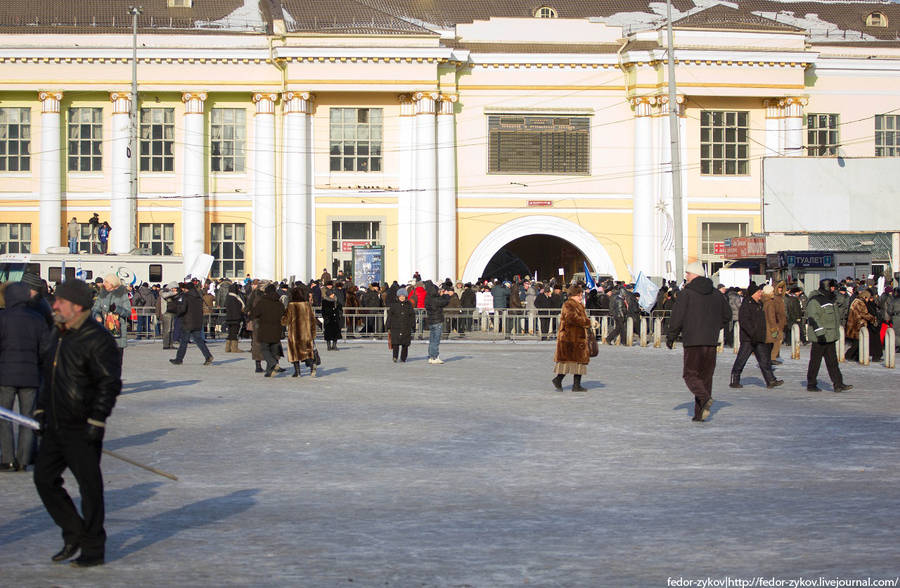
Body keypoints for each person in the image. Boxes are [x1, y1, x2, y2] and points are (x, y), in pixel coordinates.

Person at [33, 279, 121, 567]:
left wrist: (97, 419)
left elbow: (109, 383)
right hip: (55, 424)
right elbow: (49, 375)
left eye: (60, 301)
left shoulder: (97, 338)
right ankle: (74, 532)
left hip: (81, 425)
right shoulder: (59, 333)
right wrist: (42, 409)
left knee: (89, 487)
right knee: (44, 479)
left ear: (76, 306)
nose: (54, 305)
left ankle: (94, 547)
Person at [666, 261, 731, 422]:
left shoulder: (686, 294)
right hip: (710, 341)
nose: (686, 276)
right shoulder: (717, 294)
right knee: (705, 377)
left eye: (687, 273)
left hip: (692, 341)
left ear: (694, 274)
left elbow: (677, 317)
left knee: (690, 375)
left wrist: (671, 336)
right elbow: (727, 316)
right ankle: (699, 413)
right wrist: (715, 328)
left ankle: (704, 398)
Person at [0, 282, 51, 472]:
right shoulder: (37, 318)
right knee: (27, 417)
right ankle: (24, 459)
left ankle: (8, 458)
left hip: (5, 376)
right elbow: (45, 348)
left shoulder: (2, 318)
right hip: (31, 376)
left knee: (5, 417)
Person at [729, 282, 782, 389]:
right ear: (753, 293)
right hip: (748, 338)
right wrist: (753, 333)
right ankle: (735, 380)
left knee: (764, 360)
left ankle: (771, 380)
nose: (760, 294)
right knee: (741, 359)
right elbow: (744, 322)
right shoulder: (747, 304)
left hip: (759, 337)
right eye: (758, 292)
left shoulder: (759, 303)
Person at [806, 279, 852, 392]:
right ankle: (811, 384)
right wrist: (820, 333)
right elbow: (813, 317)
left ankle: (838, 383)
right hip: (820, 337)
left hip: (830, 336)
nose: (833, 289)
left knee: (832, 362)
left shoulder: (831, 299)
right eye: (831, 287)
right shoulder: (815, 300)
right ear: (826, 287)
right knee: (815, 362)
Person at [551, 285, 593, 392]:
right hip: (569, 337)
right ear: (574, 295)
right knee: (567, 361)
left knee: (579, 362)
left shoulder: (578, 305)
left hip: (578, 337)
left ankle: (576, 385)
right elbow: (572, 318)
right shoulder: (569, 304)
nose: (581, 297)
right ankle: (558, 379)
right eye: (579, 295)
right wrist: (588, 322)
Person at [170, 282, 214, 366]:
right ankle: (208, 356)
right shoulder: (199, 297)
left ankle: (179, 359)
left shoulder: (186, 297)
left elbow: (182, 309)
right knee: (199, 340)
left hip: (187, 322)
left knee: (184, 341)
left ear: (187, 289)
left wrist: (177, 312)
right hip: (197, 322)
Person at [91, 274, 130, 366]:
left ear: (112, 283)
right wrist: (97, 315)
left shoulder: (122, 295)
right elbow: (95, 309)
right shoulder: (102, 295)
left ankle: (115, 379)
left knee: (117, 362)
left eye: (106, 282)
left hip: (118, 333)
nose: (104, 284)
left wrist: (117, 309)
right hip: (104, 331)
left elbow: (128, 312)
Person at [282, 284, 317, 377]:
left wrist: (282, 320)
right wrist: (313, 333)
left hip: (295, 333)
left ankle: (297, 372)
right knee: (307, 351)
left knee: (295, 352)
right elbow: (312, 319)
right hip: (306, 333)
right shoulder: (307, 305)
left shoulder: (291, 305)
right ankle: (312, 365)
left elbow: (285, 320)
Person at [386, 287, 416, 363]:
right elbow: (389, 316)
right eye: (400, 296)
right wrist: (388, 325)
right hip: (395, 327)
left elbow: (412, 316)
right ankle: (395, 357)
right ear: (398, 296)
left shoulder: (409, 305)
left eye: (403, 296)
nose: (402, 298)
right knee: (395, 344)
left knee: (405, 344)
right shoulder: (394, 305)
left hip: (406, 327)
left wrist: (413, 325)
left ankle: (403, 358)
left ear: (405, 297)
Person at [424, 280, 450, 364]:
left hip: (431, 320)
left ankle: (431, 356)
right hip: (437, 320)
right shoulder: (434, 299)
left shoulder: (428, 297)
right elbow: (444, 302)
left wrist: (440, 295)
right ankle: (435, 356)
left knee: (432, 340)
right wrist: (446, 295)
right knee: (436, 340)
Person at [845, 289, 874, 362]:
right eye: (867, 298)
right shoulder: (860, 303)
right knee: (857, 343)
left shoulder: (856, 301)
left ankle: (855, 356)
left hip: (853, 324)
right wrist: (873, 319)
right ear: (865, 297)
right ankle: (848, 355)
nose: (868, 300)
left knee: (857, 342)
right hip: (857, 325)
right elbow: (864, 314)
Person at [321, 281, 343, 350]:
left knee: (336, 332)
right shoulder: (325, 301)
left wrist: (339, 313)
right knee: (328, 333)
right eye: (331, 294)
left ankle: (334, 345)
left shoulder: (336, 300)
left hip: (335, 318)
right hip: (329, 318)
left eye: (333, 294)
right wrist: (325, 317)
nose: (332, 295)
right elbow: (323, 310)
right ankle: (328, 346)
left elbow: (340, 307)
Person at [224, 282, 245, 352]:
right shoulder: (235, 298)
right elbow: (239, 307)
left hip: (229, 317)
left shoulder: (228, 297)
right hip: (235, 318)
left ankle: (228, 347)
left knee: (230, 333)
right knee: (234, 333)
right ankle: (234, 348)